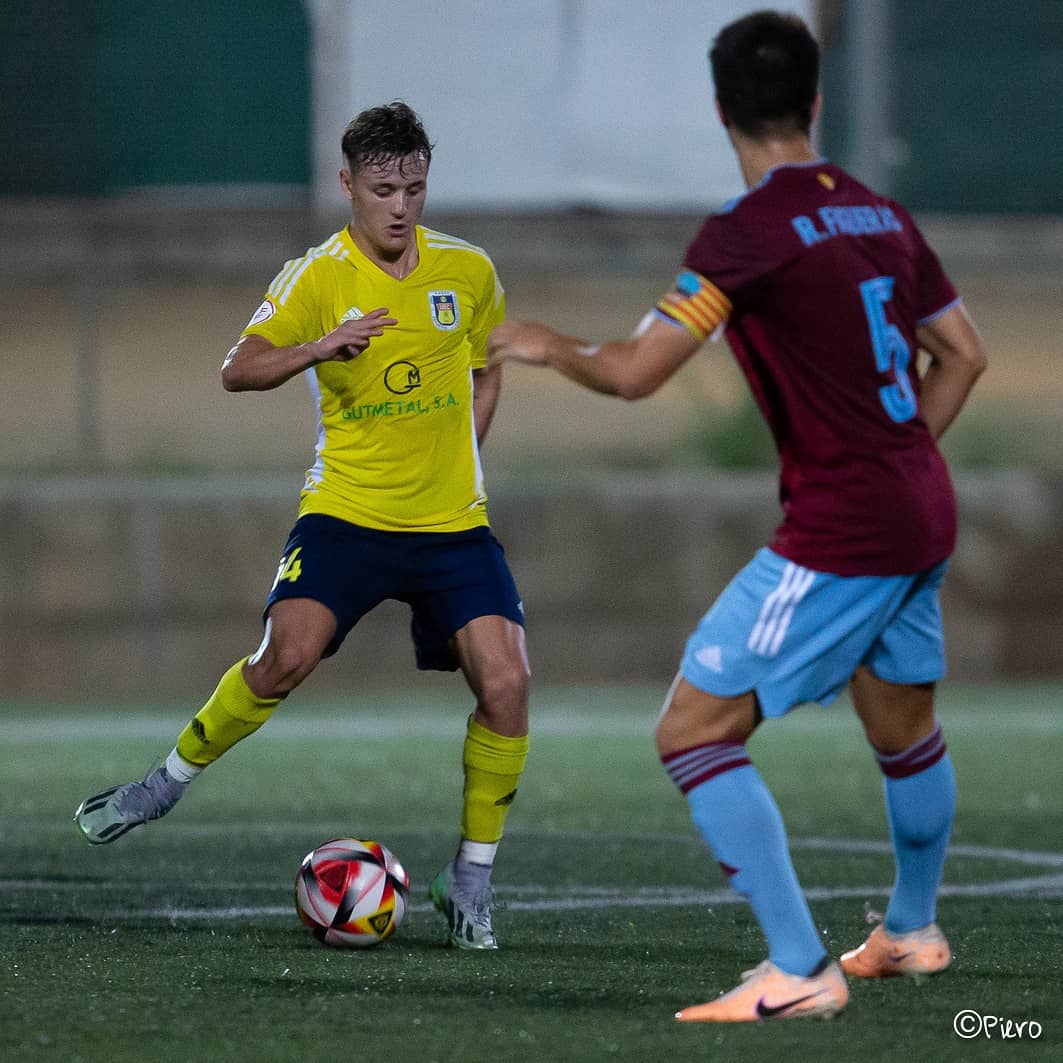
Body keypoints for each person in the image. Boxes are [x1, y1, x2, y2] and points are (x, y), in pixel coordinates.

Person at [489, 11, 987, 1020]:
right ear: (813, 100)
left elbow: (634, 374)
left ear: (720, 109)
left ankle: (799, 966)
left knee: (694, 728)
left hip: (846, 525)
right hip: (920, 505)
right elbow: (964, 354)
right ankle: (912, 928)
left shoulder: (745, 234)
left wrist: (544, 342)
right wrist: (895, 463)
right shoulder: (880, 215)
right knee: (904, 730)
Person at [74, 101, 530, 951]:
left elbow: (486, 363)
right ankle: (162, 783)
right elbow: (236, 369)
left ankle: (469, 880)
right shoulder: (315, 276)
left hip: (451, 526)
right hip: (346, 513)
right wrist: (319, 349)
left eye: (416, 188)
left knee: (506, 686)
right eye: (384, 188)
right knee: (284, 657)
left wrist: (461, 458)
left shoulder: (467, 270)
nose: (401, 206)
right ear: (348, 184)